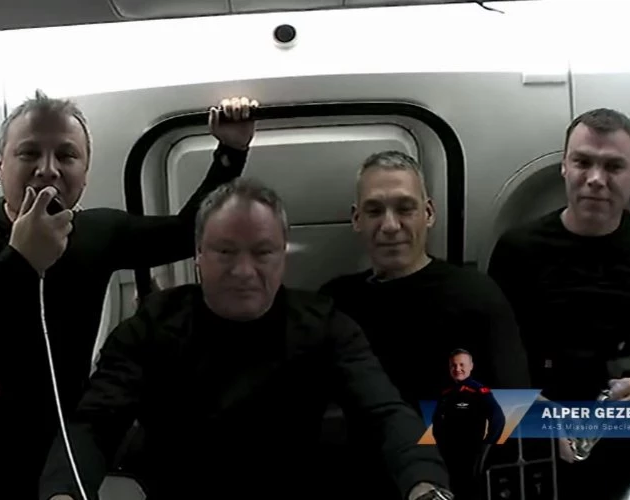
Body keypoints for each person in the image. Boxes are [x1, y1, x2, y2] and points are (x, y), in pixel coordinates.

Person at [39, 178, 453, 500]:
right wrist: (63, 492)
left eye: (262, 252)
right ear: (198, 255)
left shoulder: (323, 324)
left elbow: (385, 413)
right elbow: (94, 424)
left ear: (283, 255)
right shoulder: (150, 327)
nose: (243, 271)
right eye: (225, 252)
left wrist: (425, 484)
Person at [0, 92, 258, 498]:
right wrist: (19, 262)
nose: (47, 170)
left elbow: (186, 232)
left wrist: (230, 152)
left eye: (66, 155)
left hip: (65, 440)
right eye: (29, 153)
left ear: (85, 174)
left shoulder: (98, 233)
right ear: (0, 166)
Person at [487, 107, 630, 498]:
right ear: (564, 167)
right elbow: (490, 352)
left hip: (625, 410)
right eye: (583, 162)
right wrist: (523, 403)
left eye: (613, 166)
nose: (596, 179)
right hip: (540, 410)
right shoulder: (517, 249)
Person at [318, 150, 530, 498]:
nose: (390, 225)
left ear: (428, 213)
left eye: (405, 209)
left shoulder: (475, 296)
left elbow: (515, 406)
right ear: (357, 219)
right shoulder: (337, 302)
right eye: (375, 211)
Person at [432, 349, 505, 500]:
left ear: (471, 366)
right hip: (448, 456)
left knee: (472, 493)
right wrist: (439, 445)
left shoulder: (479, 391)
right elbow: (436, 421)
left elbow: (498, 418)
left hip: (471, 455)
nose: (457, 369)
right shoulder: (446, 393)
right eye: (453, 365)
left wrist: (487, 446)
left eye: (461, 365)